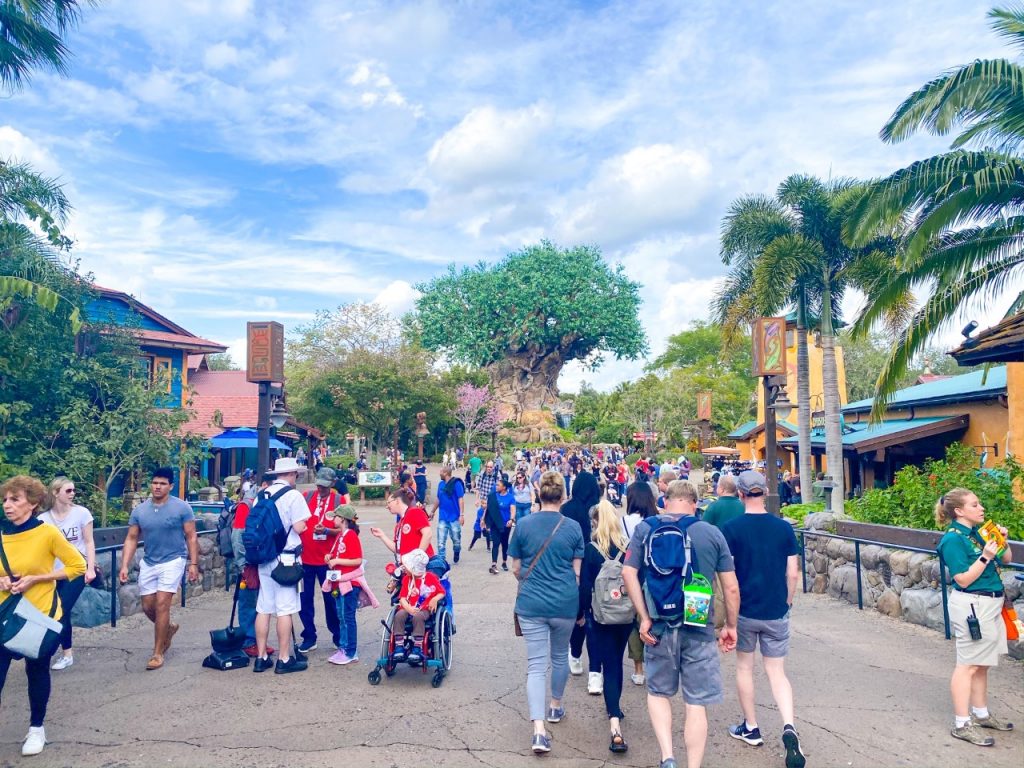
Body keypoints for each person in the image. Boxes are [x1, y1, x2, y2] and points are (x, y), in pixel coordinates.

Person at [622, 480, 740, 768]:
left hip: (659, 625)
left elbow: (628, 573)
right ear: (695, 503)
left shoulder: (646, 529)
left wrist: (644, 617)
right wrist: (731, 627)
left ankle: (668, 757)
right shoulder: (711, 533)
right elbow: (731, 587)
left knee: (659, 693)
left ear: (666, 500)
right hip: (698, 626)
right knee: (696, 702)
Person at [721, 470, 805, 768]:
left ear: (741, 494)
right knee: (777, 673)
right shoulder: (783, 528)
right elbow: (792, 572)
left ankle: (751, 727)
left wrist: (728, 616)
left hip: (744, 610)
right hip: (776, 609)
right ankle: (789, 726)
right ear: (766, 490)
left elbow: (728, 577)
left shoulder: (731, 529)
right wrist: (788, 599)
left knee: (745, 667)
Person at [1, 475, 87, 756]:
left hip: (37, 614)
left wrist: (38, 577)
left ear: (33, 503)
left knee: (36, 671)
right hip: (4, 615)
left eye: (15, 499)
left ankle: (36, 728)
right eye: (5, 499)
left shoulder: (46, 533)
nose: (7, 505)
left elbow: (77, 565)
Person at [508, 470, 585, 754]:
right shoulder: (573, 527)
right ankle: (556, 706)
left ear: (539, 494)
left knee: (536, 664)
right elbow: (577, 573)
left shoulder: (525, 524)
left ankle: (539, 730)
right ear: (563, 496)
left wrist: (529, 581)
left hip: (531, 603)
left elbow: (516, 568)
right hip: (565, 601)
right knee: (559, 655)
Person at [935, 488, 1015, 746]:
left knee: (982, 663)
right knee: (967, 664)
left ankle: (981, 715)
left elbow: (1007, 560)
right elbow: (962, 579)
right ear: (959, 511)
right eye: (975, 504)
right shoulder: (952, 540)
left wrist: (1002, 542)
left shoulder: (979, 534)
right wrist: (985, 556)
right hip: (973, 604)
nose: (981, 508)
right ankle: (961, 723)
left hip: (990, 603)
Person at [118, 468, 199, 671]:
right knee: (147, 606)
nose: (157, 486)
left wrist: (193, 564)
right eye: (155, 482)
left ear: (170, 486)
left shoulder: (182, 508)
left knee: (163, 604)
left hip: (173, 560)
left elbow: (191, 536)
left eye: (162, 483)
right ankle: (168, 629)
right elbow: (132, 538)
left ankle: (157, 652)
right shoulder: (140, 510)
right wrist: (125, 565)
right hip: (150, 561)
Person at [580, 499, 633, 753]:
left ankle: (614, 725)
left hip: (600, 615)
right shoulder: (627, 548)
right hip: (625, 615)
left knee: (608, 663)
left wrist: (581, 613)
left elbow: (584, 586)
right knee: (617, 660)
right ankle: (616, 707)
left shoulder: (591, 549)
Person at [251, 457, 311, 674]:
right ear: (292, 474)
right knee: (285, 609)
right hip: (286, 559)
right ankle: (284, 659)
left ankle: (261, 657)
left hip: (264, 558)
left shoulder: (261, 495)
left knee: (264, 607)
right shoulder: (293, 496)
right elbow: (299, 527)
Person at [38, 477, 96, 671]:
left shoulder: (81, 513)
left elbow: (89, 541)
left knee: (60, 608)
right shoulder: (43, 519)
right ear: (55, 493)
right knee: (62, 611)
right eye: (68, 491)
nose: (73, 494)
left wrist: (90, 568)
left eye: (73, 490)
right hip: (54, 572)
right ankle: (67, 653)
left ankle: (48, 649)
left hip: (76, 570)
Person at [296, 467, 344, 654]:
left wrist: (326, 531)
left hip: (329, 561)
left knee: (331, 600)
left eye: (325, 486)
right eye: (319, 485)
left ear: (333, 484)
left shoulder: (339, 501)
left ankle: (338, 635)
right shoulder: (306, 497)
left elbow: (346, 530)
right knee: (304, 599)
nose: (321, 489)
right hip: (305, 559)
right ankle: (309, 635)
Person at [560, 470, 601, 676]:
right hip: (596, 562)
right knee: (594, 611)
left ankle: (575, 654)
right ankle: (595, 666)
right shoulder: (599, 509)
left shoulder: (567, 508)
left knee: (578, 611)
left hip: (571, 564)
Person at [623, 481, 658, 685]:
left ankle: (638, 669)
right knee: (654, 619)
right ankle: (655, 664)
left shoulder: (624, 521)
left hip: (632, 574)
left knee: (635, 624)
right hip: (654, 575)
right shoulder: (658, 519)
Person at [324, 506, 368, 665]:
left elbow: (357, 560)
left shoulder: (350, 536)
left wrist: (337, 561)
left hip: (349, 582)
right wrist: (330, 557)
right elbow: (340, 555)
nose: (333, 519)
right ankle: (343, 647)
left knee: (347, 616)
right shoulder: (341, 536)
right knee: (342, 616)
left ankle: (351, 651)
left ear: (343, 519)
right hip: (339, 581)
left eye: (335, 516)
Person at [391, 549, 446, 665]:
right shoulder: (407, 579)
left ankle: (417, 647)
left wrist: (434, 599)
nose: (403, 568)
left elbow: (441, 592)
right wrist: (408, 608)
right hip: (408, 607)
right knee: (399, 615)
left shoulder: (431, 578)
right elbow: (402, 598)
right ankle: (399, 646)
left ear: (413, 569)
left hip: (424, 609)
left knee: (418, 617)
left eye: (406, 566)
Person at [370, 487, 435, 561]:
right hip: (407, 567)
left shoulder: (415, 512)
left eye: (388, 503)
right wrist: (382, 536)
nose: (387, 506)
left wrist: (418, 557)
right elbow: (397, 549)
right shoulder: (399, 524)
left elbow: (427, 534)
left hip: (422, 566)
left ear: (397, 501)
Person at [430, 466, 465, 564]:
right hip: (443, 517)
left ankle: (456, 551)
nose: (439, 473)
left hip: (454, 517)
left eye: (441, 471)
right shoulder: (440, 484)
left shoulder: (457, 484)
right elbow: (438, 498)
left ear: (445, 473)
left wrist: (461, 515)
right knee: (441, 541)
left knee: (456, 540)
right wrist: (432, 511)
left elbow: (460, 499)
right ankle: (441, 560)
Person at [484, 476, 516, 574]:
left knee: (505, 543)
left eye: (498, 485)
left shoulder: (510, 497)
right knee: (496, 544)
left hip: (505, 524)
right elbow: (488, 508)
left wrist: (511, 519)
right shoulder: (493, 496)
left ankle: (504, 562)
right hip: (495, 523)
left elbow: (513, 509)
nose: (496, 486)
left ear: (504, 487)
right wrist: (483, 520)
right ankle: (494, 564)